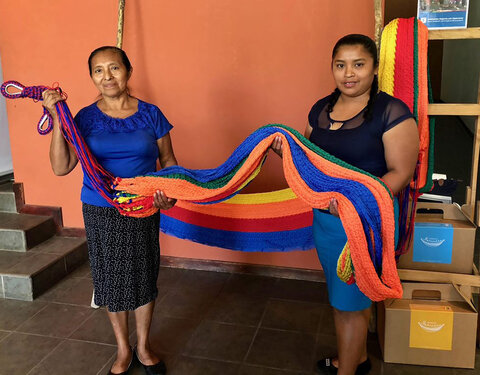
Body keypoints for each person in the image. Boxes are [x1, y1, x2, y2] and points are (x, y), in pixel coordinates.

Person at [271, 34, 419, 375]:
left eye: (358, 64)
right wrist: (288, 153)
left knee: (352, 303)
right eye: (340, 65)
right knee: (341, 297)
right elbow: (310, 163)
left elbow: (399, 173)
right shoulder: (320, 109)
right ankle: (356, 359)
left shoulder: (391, 112)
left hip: (365, 221)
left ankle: (346, 370)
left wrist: (354, 203)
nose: (348, 73)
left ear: (374, 68)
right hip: (326, 220)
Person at [42, 46, 177, 375]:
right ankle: (122, 349)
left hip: (144, 206)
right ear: (92, 77)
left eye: (114, 68)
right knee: (111, 279)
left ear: (128, 72)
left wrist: (169, 191)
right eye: (98, 70)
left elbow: (170, 162)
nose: (107, 76)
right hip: (101, 208)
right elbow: (62, 167)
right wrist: (60, 121)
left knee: (145, 273)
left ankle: (143, 346)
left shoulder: (151, 114)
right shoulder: (85, 118)